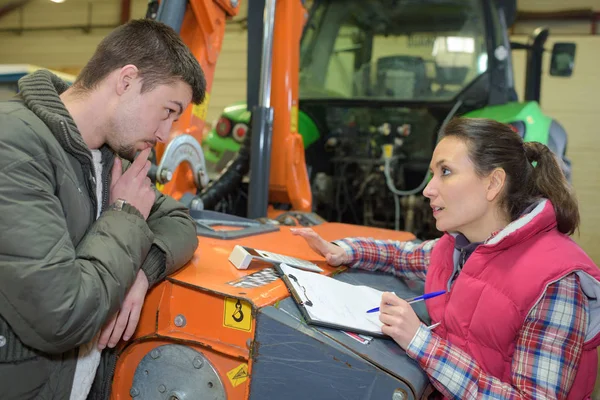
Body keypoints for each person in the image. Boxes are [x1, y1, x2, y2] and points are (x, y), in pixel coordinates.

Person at [292, 117, 600, 399]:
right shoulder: (460, 247)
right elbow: (403, 255)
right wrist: (344, 250)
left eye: (446, 172)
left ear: (493, 183)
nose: (428, 190)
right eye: (432, 174)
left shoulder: (557, 283)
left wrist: (420, 342)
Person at [0, 19, 205, 399]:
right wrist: (126, 213)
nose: (165, 134)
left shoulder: (109, 160)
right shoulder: (13, 145)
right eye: (167, 110)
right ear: (126, 80)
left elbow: (179, 220)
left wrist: (141, 274)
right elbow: (62, 316)